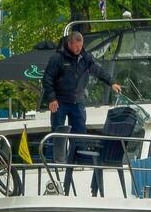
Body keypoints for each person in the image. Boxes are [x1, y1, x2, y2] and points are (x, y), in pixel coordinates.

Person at [41, 31, 121, 163]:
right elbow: (47, 78)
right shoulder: (57, 58)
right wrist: (52, 98)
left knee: (80, 131)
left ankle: (80, 160)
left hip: (77, 101)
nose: (78, 49)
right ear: (69, 44)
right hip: (59, 100)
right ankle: (53, 160)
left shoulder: (86, 57)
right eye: (76, 46)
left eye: (80, 45)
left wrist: (111, 82)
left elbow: (99, 70)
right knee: (57, 131)